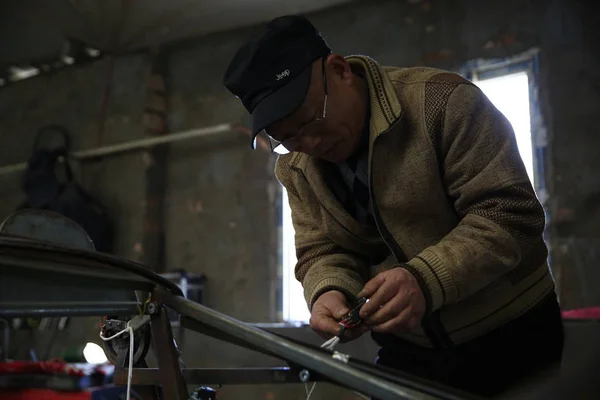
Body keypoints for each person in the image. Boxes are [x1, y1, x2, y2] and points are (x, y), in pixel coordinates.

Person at [223, 15, 564, 398]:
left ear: (339, 70)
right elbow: (323, 248)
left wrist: (425, 279)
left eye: (310, 122)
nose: (310, 144)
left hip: (510, 332)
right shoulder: (296, 166)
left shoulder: (443, 102)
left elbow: (508, 213)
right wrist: (328, 290)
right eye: (287, 139)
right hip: (411, 348)